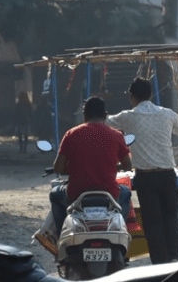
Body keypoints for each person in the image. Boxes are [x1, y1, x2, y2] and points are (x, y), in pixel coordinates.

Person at [107, 77, 178, 264]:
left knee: (152, 222)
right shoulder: (167, 114)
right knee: (171, 217)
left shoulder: (128, 116)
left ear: (132, 97)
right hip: (167, 174)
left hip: (145, 177)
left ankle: (159, 262)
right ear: (150, 95)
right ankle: (174, 256)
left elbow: (105, 121)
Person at [47, 96, 133, 235]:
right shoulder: (117, 135)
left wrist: (74, 167)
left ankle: (61, 235)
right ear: (105, 115)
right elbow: (128, 166)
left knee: (55, 195)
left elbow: (58, 168)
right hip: (110, 193)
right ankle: (120, 231)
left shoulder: (71, 134)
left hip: (76, 193)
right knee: (126, 193)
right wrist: (113, 166)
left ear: (84, 115)